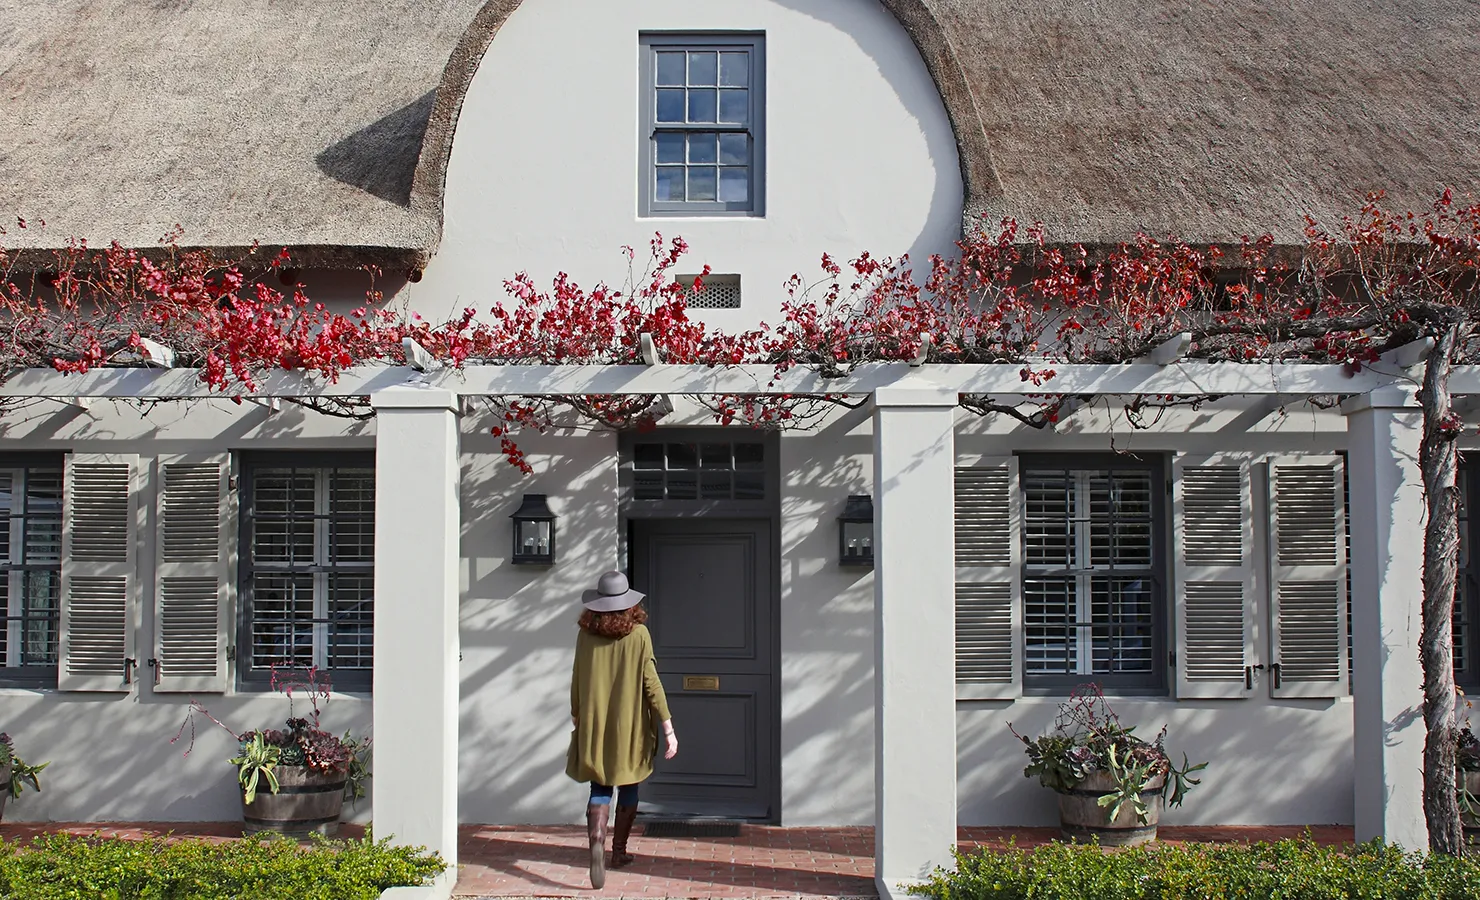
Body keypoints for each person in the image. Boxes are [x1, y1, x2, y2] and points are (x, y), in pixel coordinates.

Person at [567, 570, 678, 889]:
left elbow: (577, 677)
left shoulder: (585, 634)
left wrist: (577, 715)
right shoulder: (639, 634)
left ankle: (597, 843)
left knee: (599, 786)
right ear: (629, 604)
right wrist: (667, 726)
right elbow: (651, 682)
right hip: (631, 726)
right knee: (629, 783)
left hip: (595, 722)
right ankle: (619, 852)